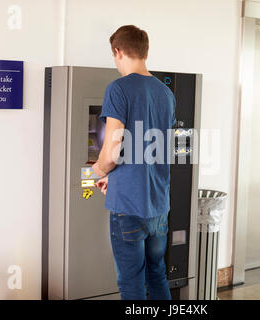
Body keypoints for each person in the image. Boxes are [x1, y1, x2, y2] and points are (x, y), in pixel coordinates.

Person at [91, 25, 175, 300]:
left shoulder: (118, 89)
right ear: (145, 52)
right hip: (159, 207)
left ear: (117, 52)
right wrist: (113, 180)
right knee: (157, 274)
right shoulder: (166, 94)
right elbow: (151, 149)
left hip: (128, 208)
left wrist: (100, 169)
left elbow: (112, 152)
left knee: (131, 284)